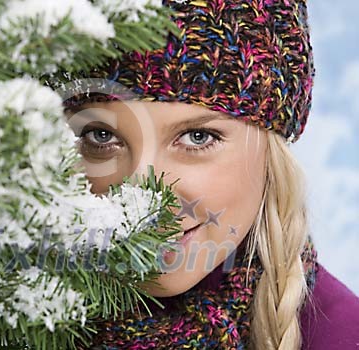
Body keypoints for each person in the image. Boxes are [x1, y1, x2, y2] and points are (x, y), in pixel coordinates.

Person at [62, 0, 359, 349]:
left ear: (271, 147)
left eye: (197, 137)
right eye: (102, 136)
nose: (144, 203)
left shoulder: (339, 335)